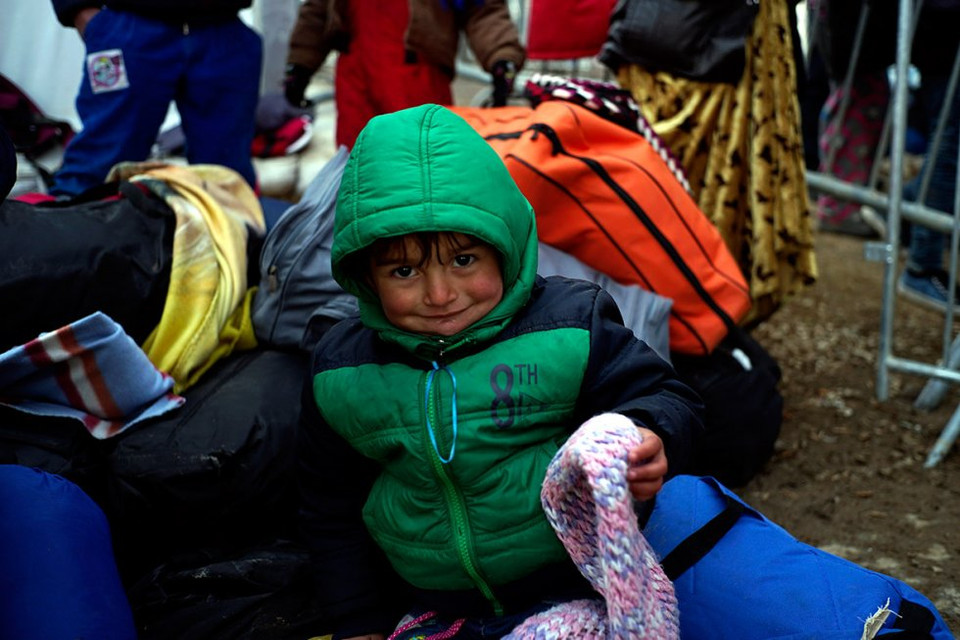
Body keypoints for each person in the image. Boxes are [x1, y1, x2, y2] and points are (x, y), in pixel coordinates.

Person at [297, 103, 705, 639]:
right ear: (366, 278)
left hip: (573, 582)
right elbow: (328, 506)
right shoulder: (341, 372)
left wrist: (651, 435)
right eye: (404, 270)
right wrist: (356, 621)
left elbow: (666, 395)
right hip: (432, 605)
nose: (439, 294)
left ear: (504, 246)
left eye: (463, 260)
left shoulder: (568, 326)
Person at [599, 0, 818, 328]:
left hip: (697, 41)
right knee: (668, 181)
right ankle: (696, 310)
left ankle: (689, 312)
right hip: (699, 46)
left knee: (659, 180)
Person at [48, 0, 262, 197]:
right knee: (98, 165)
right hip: (131, 27)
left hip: (225, 30)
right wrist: (78, 10)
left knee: (227, 181)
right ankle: (63, 222)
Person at [283, 0, 525, 149]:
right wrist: (300, 64)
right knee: (356, 169)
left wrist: (501, 56)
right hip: (356, 79)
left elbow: (483, 11)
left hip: (418, 80)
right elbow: (318, 11)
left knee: (423, 169)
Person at [896, 1, 960, 312]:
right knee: (949, 140)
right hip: (944, 25)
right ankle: (922, 261)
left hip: (936, 25)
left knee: (947, 136)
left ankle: (904, 209)